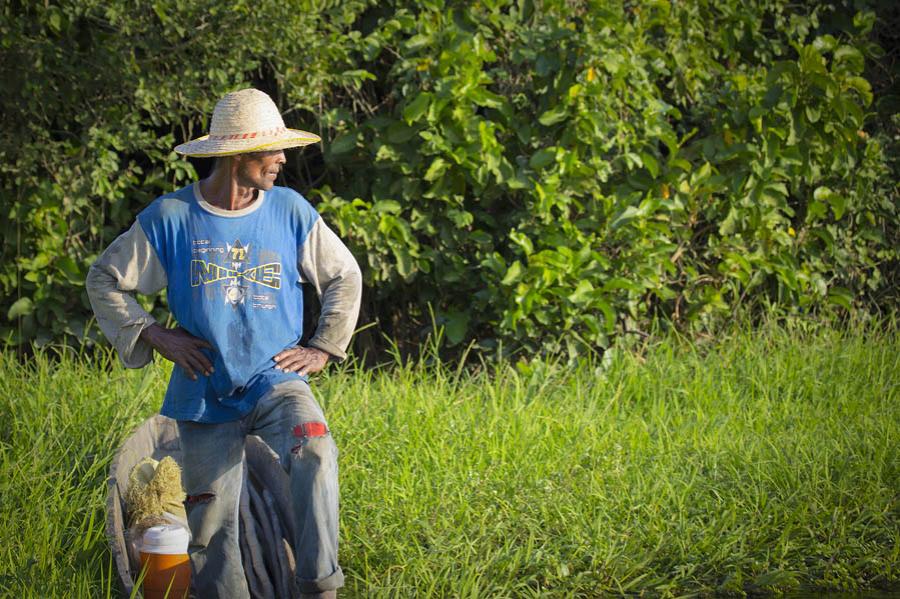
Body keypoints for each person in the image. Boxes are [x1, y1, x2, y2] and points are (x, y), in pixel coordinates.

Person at [86, 88, 362, 598]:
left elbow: (344, 274)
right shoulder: (171, 219)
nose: (282, 159)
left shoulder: (291, 211)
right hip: (203, 389)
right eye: (272, 149)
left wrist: (323, 346)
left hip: (275, 380)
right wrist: (154, 333)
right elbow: (104, 278)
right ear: (237, 155)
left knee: (316, 448)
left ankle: (318, 587)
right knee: (210, 531)